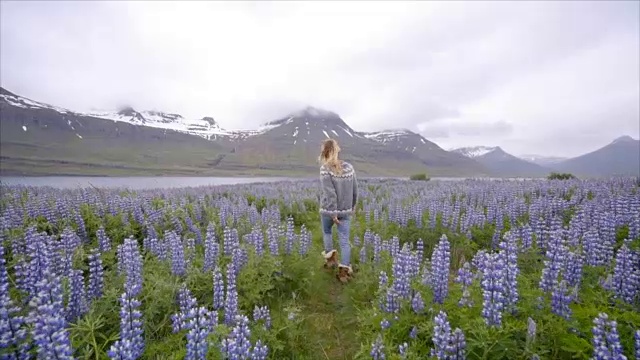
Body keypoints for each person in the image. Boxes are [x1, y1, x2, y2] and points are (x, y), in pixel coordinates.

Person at [318, 138, 358, 283]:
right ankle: (344, 272)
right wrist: (353, 205)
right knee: (344, 241)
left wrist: (333, 212)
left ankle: (331, 260)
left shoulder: (325, 169)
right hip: (345, 211)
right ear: (336, 150)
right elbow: (355, 189)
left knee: (327, 232)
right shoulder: (349, 168)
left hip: (328, 211)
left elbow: (330, 193)